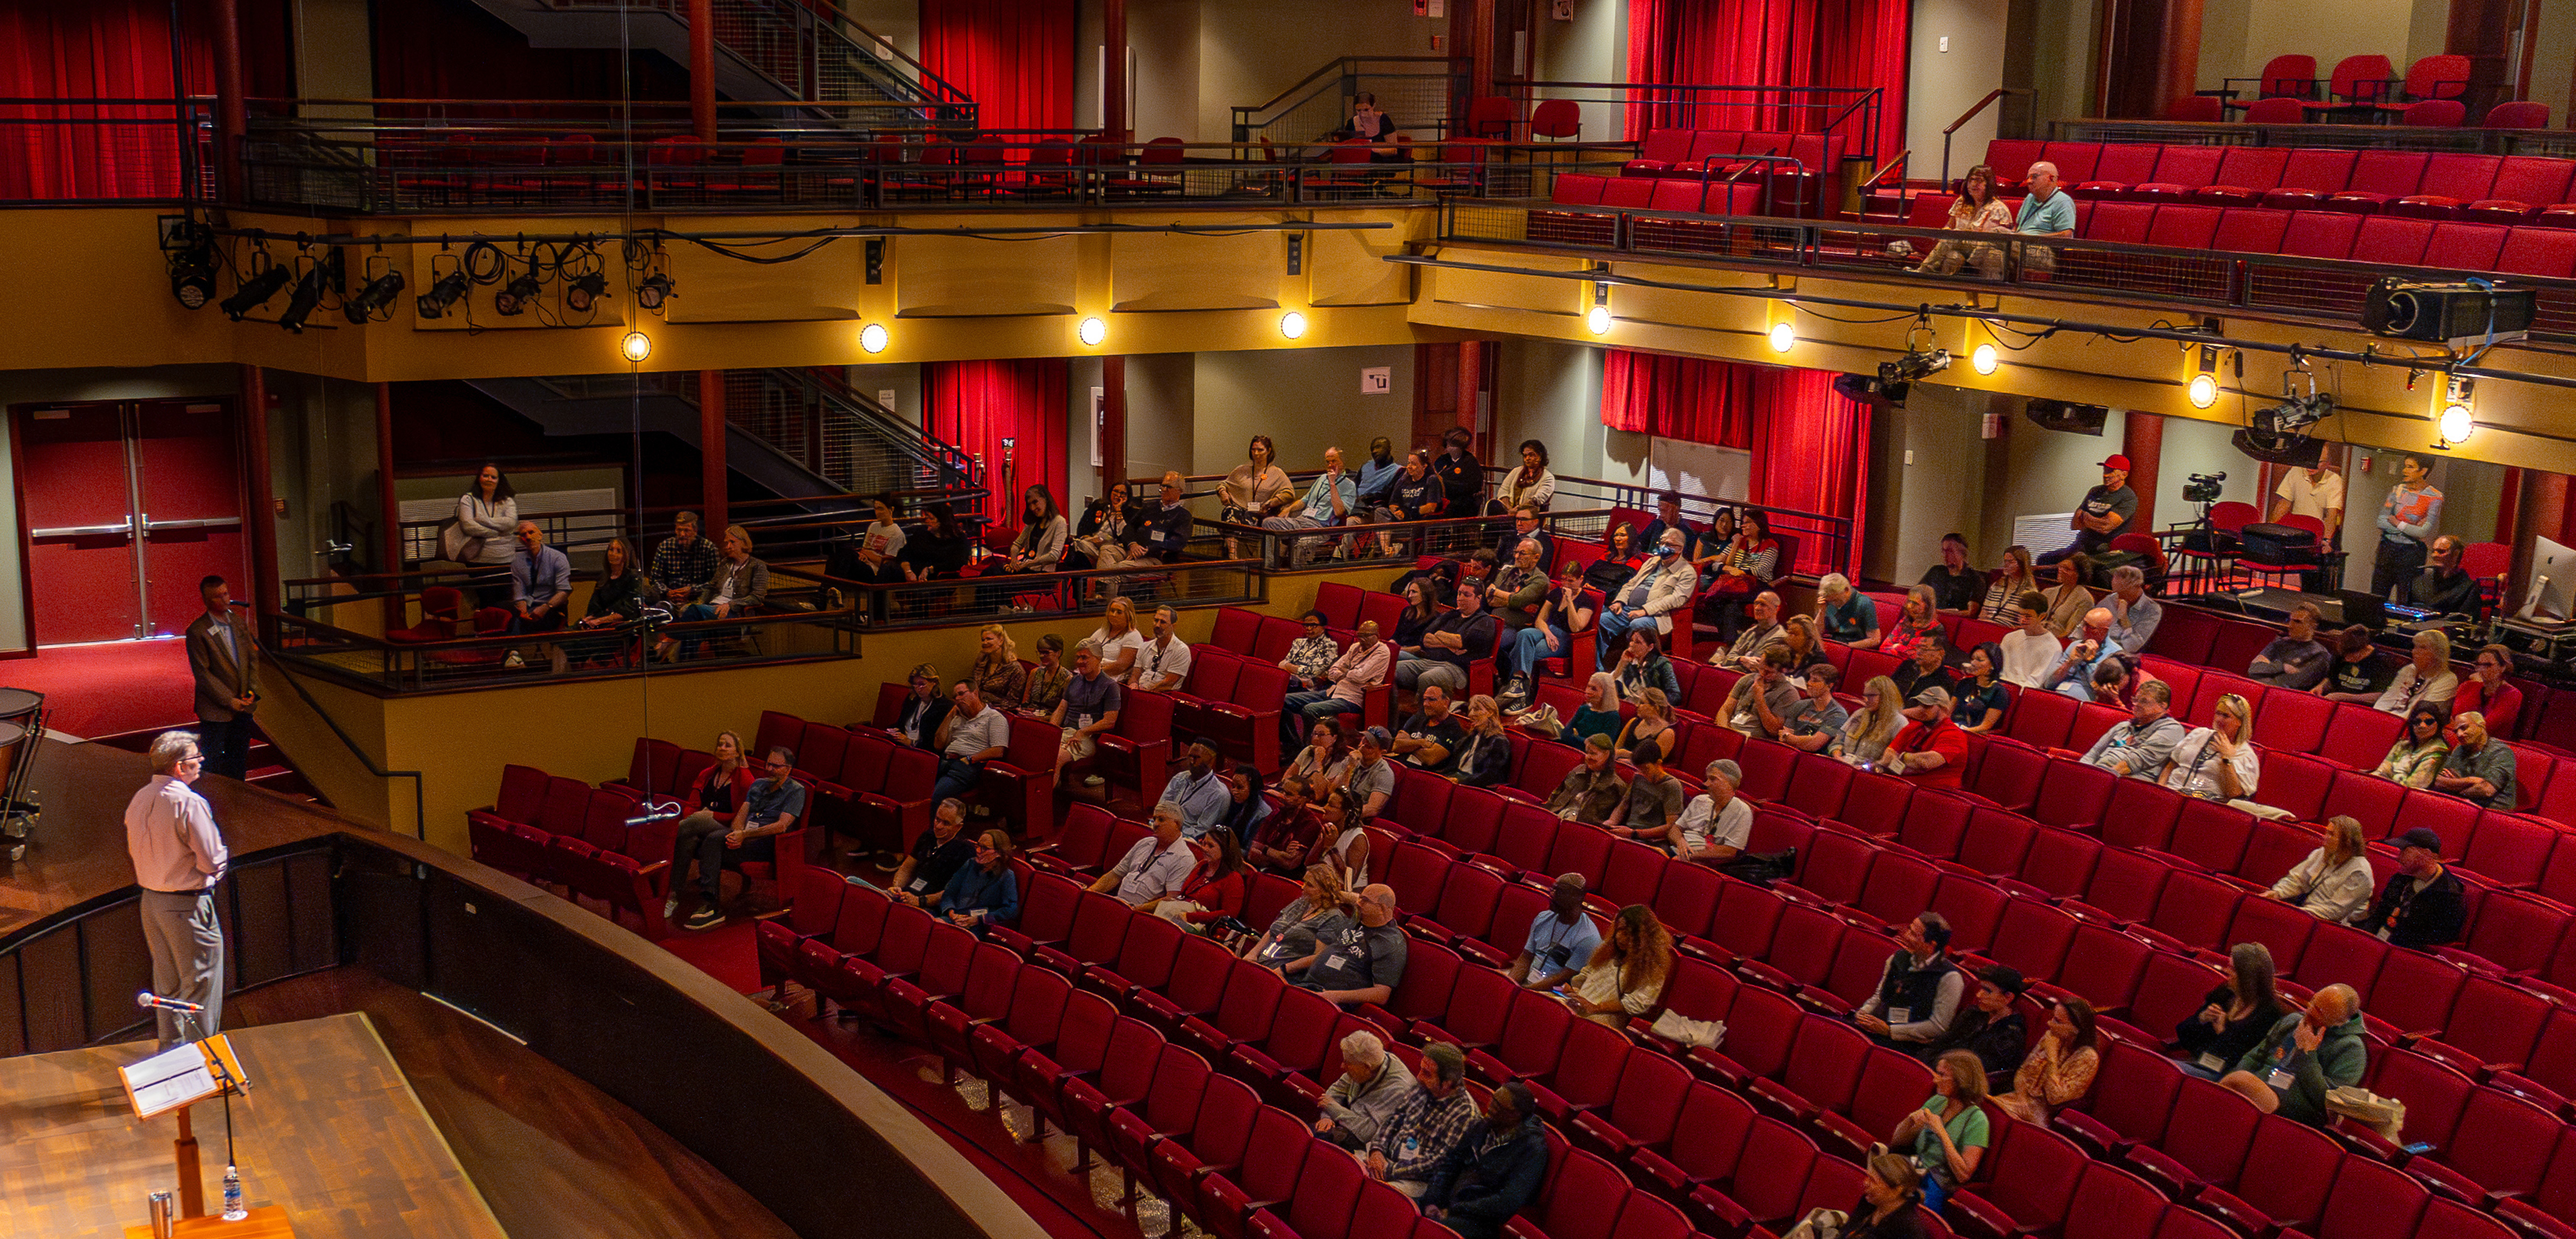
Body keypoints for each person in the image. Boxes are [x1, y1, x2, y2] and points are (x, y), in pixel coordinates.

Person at [126, 730, 228, 1046]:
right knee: (200, 985)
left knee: (167, 983)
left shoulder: (140, 797)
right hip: (187, 906)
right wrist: (221, 863)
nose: (201, 762)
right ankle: (203, 1059)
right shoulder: (189, 802)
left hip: (151, 902)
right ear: (180, 766)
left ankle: (171, 1053)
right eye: (196, 758)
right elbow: (212, 860)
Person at [670, 745, 805, 931]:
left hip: (768, 842)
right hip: (744, 836)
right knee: (710, 838)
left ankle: (711, 905)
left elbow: (782, 826)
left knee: (713, 840)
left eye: (776, 766)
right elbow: (742, 815)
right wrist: (736, 833)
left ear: (788, 769)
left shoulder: (796, 791)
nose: (769, 769)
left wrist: (745, 835)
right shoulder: (758, 785)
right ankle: (710, 903)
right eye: (768, 764)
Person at [2217, 985, 2366, 1125]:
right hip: (2256, 1082)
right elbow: (2255, 1056)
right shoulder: (2294, 1020)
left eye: (2319, 1011)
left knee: (2237, 1082)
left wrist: (2307, 1054)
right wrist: (2238, 1073)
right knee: (2233, 1084)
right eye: (2313, 1002)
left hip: (2296, 1105)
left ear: (2339, 1022)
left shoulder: (2352, 1049)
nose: (2309, 1011)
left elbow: (2327, 1100)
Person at [1424, 1082, 1547, 1239]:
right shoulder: (1483, 1126)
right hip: (1448, 1204)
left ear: (1515, 1115)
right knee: (1403, 1208)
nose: (1490, 1108)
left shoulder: (1532, 1150)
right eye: (1492, 1100)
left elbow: (1506, 1203)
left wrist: (1454, 1210)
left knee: (1432, 1233)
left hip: (1480, 1221)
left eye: (1498, 1106)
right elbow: (1450, 1164)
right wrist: (1432, 1200)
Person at [1368, 1041, 1480, 1200]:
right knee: (1348, 1169)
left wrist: (1389, 1170)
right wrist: (1377, 1150)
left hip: (1417, 1182)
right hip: (1385, 1160)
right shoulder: (1423, 1089)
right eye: (1421, 1069)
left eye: (1427, 1074)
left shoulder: (1466, 1114)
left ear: (1448, 1083)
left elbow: (1437, 1163)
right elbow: (1393, 1119)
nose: (1418, 1077)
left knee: (1376, 1195)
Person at [1889, 1050, 1990, 1211]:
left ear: (1961, 1080)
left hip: (1940, 1178)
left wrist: (1941, 1132)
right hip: (1919, 1164)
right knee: (1883, 1169)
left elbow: (1963, 1175)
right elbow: (1897, 1143)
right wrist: (1910, 1120)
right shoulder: (1938, 1101)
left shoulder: (1978, 1120)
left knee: (1906, 1193)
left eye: (1942, 1075)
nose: (1936, 1080)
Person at [2177, 942, 2288, 1080]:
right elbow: (2182, 1035)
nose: (2227, 972)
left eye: (2233, 969)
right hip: (2196, 1063)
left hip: (2225, 1077)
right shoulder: (2224, 994)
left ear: (2249, 977)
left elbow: (2242, 1062)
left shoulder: (2268, 1013)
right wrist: (2201, 1019)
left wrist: (2222, 1031)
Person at [185, 575, 258, 780]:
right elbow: (203, 674)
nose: (225, 600)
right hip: (215, 710)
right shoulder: (197, 631)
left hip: (243, 706)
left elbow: (252, 661)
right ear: (207, 601)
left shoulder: (238, 623)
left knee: (239, 760)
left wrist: (251, 693)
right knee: (213, 763)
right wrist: (229, 700)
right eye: (218, 597)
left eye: (226, 594)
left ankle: (239, 804)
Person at [661, 524, 767, 662]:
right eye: (726, 543)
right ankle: (686, 665)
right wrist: (701, 602)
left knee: (693, 611)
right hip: (712, 608)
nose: (728, 546)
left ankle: (668, 641)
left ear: (744, 542)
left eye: (732, 542)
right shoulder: (726, 563)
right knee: (695, 628)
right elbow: (711, 587)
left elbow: (757, 597)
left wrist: (731, 604)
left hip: (735, 614)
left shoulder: (757, 566)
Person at [1855, 913, 1961, 1048]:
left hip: (1905, 1041)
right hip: (1877, 1024)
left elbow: (1938, 1026)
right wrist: (1863, 1013)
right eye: (1909, 929)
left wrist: (1890, 1031)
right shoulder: (1897, 958)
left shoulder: (1950, 978)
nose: (1905, 936)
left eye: (1913, 934)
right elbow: (1879, 997)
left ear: (1931, 945)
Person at [1294, 883, 1407, 1007]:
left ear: (1381, 909)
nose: (1358, 903)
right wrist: (1285, 969)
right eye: (1360, 898)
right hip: (1306, 984)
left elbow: (1381, 994)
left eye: (1365, 900)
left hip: (1331, 1000)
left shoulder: (1390, 942)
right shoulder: (1358, 919)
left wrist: (1336, 996)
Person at [2353, 827, 2466, 947]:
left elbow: (2436, 942)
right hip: (2379, 943)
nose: (2399, 857)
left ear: (2426, 855)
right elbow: (2380, 914)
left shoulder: (2449, 895)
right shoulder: (2401, 878)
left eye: (2406, 851)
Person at [1596, 527, 1696, 661]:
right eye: (1662, 543)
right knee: (1602, 620)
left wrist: (1645, 611)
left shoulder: (1687, 572)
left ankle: (1631, 669)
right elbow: (1631, 584)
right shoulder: (1652, 562)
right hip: (1627, 609)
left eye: (1669, 545)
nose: (1664, 547)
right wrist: (1619, 601)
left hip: (1655, 616)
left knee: (1638, 625)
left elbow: (1675, 600)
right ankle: (1600, 666)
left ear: (1680, 548)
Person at [1993, 997, 2098, 1124]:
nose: (2049, 1023)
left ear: (2076, 1030)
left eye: (2058, 1021)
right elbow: (2023, 1072)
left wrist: (2052, 1056)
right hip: (2019, 1099)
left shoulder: (2088, 1057)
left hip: (2045, 1115)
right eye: (2053, 1017)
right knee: (1981, 1106)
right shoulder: (2051, 1037)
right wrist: (2022, 1099)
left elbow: (2055, 1098)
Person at [1564, 905, 1672, 1028]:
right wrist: (1573, 992)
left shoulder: (1651, 969)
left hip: (1604, 1020)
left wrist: (1596, 1008)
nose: (1620, 937)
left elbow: (1635, 1004)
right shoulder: (1608, 951)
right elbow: (1584, 976)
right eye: (1619, 930)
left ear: (1642, 938)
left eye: (1627, 933)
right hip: (1579, 1006)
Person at [1926, 966, 2030, 1093]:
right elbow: (1942, 1042)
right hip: (1941, 1071)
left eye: (1988, 991)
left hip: (1966, 1090)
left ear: (2008, 997)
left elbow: (1978, 1072)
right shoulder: (1972, 1014)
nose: (1979, 995)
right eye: (1981, 988)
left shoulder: (2012, 1034)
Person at [1316, 1029, 1420, 1151]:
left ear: (1366, 1067)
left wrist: (1333, 1108)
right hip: (1345, 1126)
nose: (1342, 1066)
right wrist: (1327, 1117)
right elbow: (1336, 1090)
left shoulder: (1399, 1090)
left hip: (1370, 1147)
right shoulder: (1366, 1062)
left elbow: (1366, 1134)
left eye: (1347, 1063)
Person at [2266, 816, 2376, 923]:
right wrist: (2277, 893)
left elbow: (2333, 912)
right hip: (2300, 912)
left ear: (2347, 842)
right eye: (2327, 832)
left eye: (2332, 834)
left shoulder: (2360, 873)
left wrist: (2291, 913)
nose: (2325, 837)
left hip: (2324, 924)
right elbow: (2297, 879)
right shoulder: (2322, 852)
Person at [1917, 163, 2015, 279]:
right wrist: (1946, 233)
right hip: (1960, 247)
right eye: (1971, 180)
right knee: (1954, 256)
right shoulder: (1961, 202)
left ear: (1989, 185)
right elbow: (1949, 226)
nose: (1973, 184)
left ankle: (1923, 270)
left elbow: (1994, 241)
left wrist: (1955, 235)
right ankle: (1944, 290)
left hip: (1983, 250)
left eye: (1979, 181)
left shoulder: (1998, 208)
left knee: (1953, 237)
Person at [1267, 447, 1358, 568]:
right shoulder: (1321, 479)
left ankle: (1296, 575)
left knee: (1301, 544)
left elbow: (1339, 512)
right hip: (1302, 520)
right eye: (1328, 462)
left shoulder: (1349, 485)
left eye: (1334, 461)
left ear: (1342, 462)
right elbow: (1305, 500)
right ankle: (1270, 566)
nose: (1330, 465)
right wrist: (1288, 510)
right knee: (1269, 523)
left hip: (1320, 527)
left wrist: (1332, 484)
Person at [2038, 454, 2136, 566]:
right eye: (2105, 470)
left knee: (2075, 566)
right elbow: (2075, 524)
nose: (2105, 475)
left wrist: (2086, 518)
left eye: (2111, 471)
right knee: (2044, 560)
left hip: (2103, 550)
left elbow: (2105, 527)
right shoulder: (2095, 491)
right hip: (2081, 544)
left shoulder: (2128, 496)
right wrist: (2095, 521)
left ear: (2124, 474)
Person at [1092, 802, 1196, 905]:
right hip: (1119, 902)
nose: (1155, 824)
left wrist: (1134, 912)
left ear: (1176, 824)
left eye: (1161, 820)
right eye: (1154, 819)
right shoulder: (1145, 843)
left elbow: (1171, 899)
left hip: (1141, 913)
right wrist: (1088, 892)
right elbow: (1115, 875)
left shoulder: (1184, 858)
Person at [1146, 828, 1251, 931]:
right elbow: (1183, 894)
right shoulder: (1202, 865)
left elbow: (1229, 915)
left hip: (1201, 924)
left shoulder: (1234, 878)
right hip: (1180, 912)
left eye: (1211, 846)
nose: (1204, 849)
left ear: (1225, 851)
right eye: (1203, 843)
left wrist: (1191, 917)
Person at [1509, 874, 1602, 990]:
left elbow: (1562, 978)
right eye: (1553, 889)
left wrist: (1525, 991)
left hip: (1554, 991)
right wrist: (1511, 984)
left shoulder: (1589, 938)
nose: (1552, 894)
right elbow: (1526, 957)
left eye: (1559, 891)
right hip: (1527, 982)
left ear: (1576, 898)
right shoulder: (1543, 918)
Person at [2161, 692, 2258, 801]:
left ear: (2239, 722)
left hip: (2204, 803)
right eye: (2218, 713)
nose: (2219, 719)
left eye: (2226, 716)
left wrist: (2226, 759)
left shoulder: (2245, 754)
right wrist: (2160, 790)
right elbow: (2171, 765)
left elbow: (2235, 795)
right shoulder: (2198, 734)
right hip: (2170, 793)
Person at [1701, 509, 1781, 641]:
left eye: (1748, 523)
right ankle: (1733, 642)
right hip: (1735, 584)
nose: (1743, 526)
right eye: (1742, 523)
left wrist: (1740, 571)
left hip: (1758, 585)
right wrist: (1730, 567)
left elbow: (1761, 570)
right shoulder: (1739, 542)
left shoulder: (1770, 545)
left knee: (1731, 605)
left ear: (1759, 524)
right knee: (1712, 602)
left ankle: (1731, 645)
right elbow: (1716, 563)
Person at [571, 536, 652, 665]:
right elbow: (595, 607)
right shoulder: (604, 577)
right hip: (599, 622)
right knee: (567, 637)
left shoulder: (633, 578)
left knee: (586, 643)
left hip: (620, 627)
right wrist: (589, 619)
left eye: (618, 551)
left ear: (625, 556)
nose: (613, 554)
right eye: (611, 550)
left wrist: (599, 621)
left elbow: (627, 610)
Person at [2373, 454, 2444, 602]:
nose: (2405, 471)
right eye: (2405, 466)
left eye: (2410, 467)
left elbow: (2423, 531)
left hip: (2411, 552)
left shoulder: (2434, 497)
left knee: (2406, 599)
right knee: (2377, 597)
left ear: (2423, 471)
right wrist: (2409, 529)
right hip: (2387, 549)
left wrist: (2397, 523)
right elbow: (2381, 521)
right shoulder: (2397, 490)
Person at [1511, 559, 1595, 681]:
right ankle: (1519, 681)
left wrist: (1570, 601)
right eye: (1563, 580)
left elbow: (1575, 628)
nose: (1565, 584)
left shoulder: (1586, 601)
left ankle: (1519, 682)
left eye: (1571, 581)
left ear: (1581, 580)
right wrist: (1548, 634)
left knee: (1531, 650)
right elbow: (1540, 620)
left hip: (1567, 638)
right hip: (1549, 631)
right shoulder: (1556, 593)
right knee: (1524, 634)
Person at [2082, 681, 2185, 780]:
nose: (2136, 704)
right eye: (2135, 699)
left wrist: (2099, 778)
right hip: (2099, 773)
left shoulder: (2172, 729)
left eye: (2144, 701)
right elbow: (2093, 754)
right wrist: (2081, 772)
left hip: (2127, 782)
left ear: (2163, 706)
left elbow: (2135, 762)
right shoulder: (2123, 726)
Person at [1247, 865, 1346, 967]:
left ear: (1325, 890)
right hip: (1263, 961)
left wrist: (1283, 970)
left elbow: (1318, 957)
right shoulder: (1302, 902)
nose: (1303, 887)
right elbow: (1274, 930)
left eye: (1310, 885)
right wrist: (1253, 954)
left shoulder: (1333, 918)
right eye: (1305, 882)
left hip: (1288, 973)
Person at [505, 521, 572, 672]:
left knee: (515, 620)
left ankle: (512, 656)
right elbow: (519, 591)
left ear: (540, 535)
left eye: (531, 532)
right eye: (523, 535)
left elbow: (564, 591)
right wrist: (522, 608)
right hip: (528, 609)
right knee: (502, 609)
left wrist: (545, 607)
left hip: (551, 609)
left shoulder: (557, 558)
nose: (527, 537)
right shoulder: (517, 561)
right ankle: (511, 656)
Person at [930, 681, 1011, 805]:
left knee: (937, 796)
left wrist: (969, 759)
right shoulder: (957, 717)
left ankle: (933, 825)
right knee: (918, 789)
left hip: (967, 766)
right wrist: (950, 715)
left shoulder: (994, 718)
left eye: (961, 694)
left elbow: (998, 750)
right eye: (955, 697)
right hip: (944, 762)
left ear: (975, 693)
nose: (957, 699)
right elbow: (938, 745)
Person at [453, 461, 519, 605]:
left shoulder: (507, 501)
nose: (489, 479)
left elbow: (511, 523)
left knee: (506, 603)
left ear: (499, 481)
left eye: (493, 477)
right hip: (478, 560)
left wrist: (483, 520)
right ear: (479, 478)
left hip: (505, 560)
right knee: (486, 603)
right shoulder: (468, 499)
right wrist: (495, 532)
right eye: (486, 476)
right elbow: (468, 526)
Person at [1052, 644, 1123, 775]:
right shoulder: (1074, 681)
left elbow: (1109, 721)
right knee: (1039, 752)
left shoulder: (1111, 687)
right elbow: (1061, 710)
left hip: (1089, 737)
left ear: (1099, 659)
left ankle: (1045, 795)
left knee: (1055, 759)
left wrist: (1082, 732)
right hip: (1066, 732)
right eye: (1077, 657)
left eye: (1084, 657)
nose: (1079, 662)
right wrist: (1051, 730)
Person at [1219, 435, 1294, 559]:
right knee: (1229, 512)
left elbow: (1289, 493)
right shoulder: (1242, 470)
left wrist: (1272, 502)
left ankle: (1251, 553)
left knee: (1250, 516)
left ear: (1269, 451)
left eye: (1260, 450)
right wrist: (1223, 493)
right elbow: (1223, 484)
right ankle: (1232, 554)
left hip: (1262, 512)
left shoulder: (1277, 473)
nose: (1256, 453)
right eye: (1253, 450)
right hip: (1243, 509)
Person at [891, 797, 975, 907]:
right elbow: (907, 868)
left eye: (946, 823)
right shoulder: (927, 836)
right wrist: (897, 888)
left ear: (958, 827)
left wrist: (920, 901)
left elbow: (954, 892)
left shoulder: (966, 852)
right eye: (937, 820)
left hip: (931, 907)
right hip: (907, 895)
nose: (939, 826)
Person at [1673, 759, 1756, 867]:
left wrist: (1689, 855)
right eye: (1707, 779)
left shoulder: (1742, 811)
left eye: (1713, 779)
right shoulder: (1700, 800)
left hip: (1703, 861)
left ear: (1730, 784)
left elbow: (1729, 852)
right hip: (1676, 850)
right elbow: (1675, 829)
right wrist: (1679, 841)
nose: (1706, 784)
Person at [1606, 740, 1687, 847]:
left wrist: (1634, 833)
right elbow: (1623, 805)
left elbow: (1670, 826)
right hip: (1629, 833)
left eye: (1646, 769)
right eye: (1640, 769)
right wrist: (1611, 823)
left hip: (1652, 841)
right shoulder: (1639, 777)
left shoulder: (1672, 785)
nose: (1643, 773)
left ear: (1658, 763)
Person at [939, 831, 1020, 934]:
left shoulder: (1007, 876)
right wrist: (951, 913)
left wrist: (979, 920)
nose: (978, 851)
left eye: (985, 848)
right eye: (978, 845)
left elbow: (1011, 910)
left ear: (999, 852)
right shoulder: (969, 864)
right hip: (954, 918)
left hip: (979, 926)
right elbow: (949, 893)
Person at [2433, 710, 2517, 810]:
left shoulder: (2502, 752)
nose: (2459, 734)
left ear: (2481, 726)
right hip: (2462, 806)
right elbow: (2437, 781)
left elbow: (2486, 790)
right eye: (2456, 731)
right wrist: (2471, 781)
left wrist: (2454, 786)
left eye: (2464, 728)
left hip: (2493, 812)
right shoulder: (2460, 748)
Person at [2007, 160, 2078, 276]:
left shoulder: (2063, 201)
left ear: (2051, 178)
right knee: (1992, 254)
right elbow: (2018, 227)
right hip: (2020, 246)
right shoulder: (2029, 199)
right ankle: (1986, 291)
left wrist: (2031, 239)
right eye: (2028, 177)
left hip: (2043, 251)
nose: (2029, 181)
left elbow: (2067, 235)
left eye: (2034, 177)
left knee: (1999, 237)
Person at [1374, 450, 1447, 558]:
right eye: (1409, 463)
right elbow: (1393, 503)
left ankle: (1389, 553)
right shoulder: (1403, 480)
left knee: (1385, 531)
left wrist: (1410, 513)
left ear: (1424, 466)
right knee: (1380, 512)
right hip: (1400, 521)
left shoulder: (1431, 480)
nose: (1409, 467)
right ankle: (1387, 551)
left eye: (1414, 464)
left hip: (1418, 522)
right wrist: (1397, 512)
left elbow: (1432, 507)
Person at [1544, 735, 1629, 825]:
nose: (1588, 757)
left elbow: (1598, 822)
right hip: (1554, 817)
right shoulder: (1579, 770)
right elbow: (1554, 797)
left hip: (1577, 827)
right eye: (1587, 753)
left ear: (1607, 755)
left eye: (1593, 754)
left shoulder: (1615, 786)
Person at [2247, 602, 2333, 690]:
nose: (2291, 626)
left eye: (2298, 622)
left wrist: (2267, 670)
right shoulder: (2279, 643)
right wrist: (2283, 667)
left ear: (2313, 625)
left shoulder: (2320, 654)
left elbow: (2289, 685)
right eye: (2290, 620)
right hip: (2258, 689)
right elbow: (2254, 670)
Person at [1726, 647, 1806, 739]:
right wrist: (1724, 731)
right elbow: (1725, 711)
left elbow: (1774, 731)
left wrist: (1759, 697)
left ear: (1783, 671)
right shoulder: (1747, 679)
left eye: (1768, 671)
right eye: (1761, 668)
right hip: (1731, 733)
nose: (1762, 674)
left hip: (1753, 740)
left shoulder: (1789, 693)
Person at [2375, 629, 2459, 716]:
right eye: (2415, 647)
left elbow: (2418, 715)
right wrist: (2377, 717)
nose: (2415, 652)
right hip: (2389, 720)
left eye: (2423, 648)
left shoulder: (2448, 680)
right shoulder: (2409, 670)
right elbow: (2387, 699)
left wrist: (2388, 721)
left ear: (2439, 653)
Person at [651, 510, 720, 615]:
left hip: (697, 599)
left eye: (686, 531)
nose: (682, 534)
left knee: (692, 610)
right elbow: (655, 579)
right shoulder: (665, 547)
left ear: (695, 531)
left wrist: (692, 590)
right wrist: (668, 592)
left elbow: (715, 582)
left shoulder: (708, 548)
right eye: (679, 530)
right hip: (670, 598)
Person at [1161, 739, 1233, 838]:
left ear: (1211, 761)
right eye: (1190, 756)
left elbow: (1201, 832)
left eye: (1196, 758)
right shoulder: (1179, 778)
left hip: (1186, 840)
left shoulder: (1219, 794)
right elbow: (1162, 807)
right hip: (1164, 829)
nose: (1192, 762)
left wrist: (1172, 830)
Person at [2046, 607, 2120, 701]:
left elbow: (2104, 694)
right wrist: (2070, 662)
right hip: (2056, 695)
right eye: (2084, 623)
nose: (2084, 628)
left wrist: (2088, 663)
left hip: (2083, 704)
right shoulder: (2075, 645)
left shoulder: (2114, 654)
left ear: (2104, 631)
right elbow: (2049, 683)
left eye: (2089, 626)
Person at [2372, 703, 2451, 789]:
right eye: (2417, 722)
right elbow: (2382, 771)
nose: (2422, 726)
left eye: (2429, 722)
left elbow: (2415, 786)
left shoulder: (2438, 752)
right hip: (2383, 787)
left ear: (2438, 724)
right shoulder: (2403, 744)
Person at [1393, 684, 1467, 775]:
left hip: (1421, 775)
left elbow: (1430, 758)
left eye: (1432, 700)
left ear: (1446, 703)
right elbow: (1396, 746)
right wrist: (1421, 743)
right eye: (1425, 699)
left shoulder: (1453, 728)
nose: (1426, 704)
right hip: (1399, 766)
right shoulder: (1419, 717)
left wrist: (1407, 745)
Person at [1777, 665, 1849, 754]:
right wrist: (1789, 737)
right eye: (1810, 679)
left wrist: (1789, 738)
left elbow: (1814, 745)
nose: (1809, 683)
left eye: (1815, 681)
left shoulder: (1838, 714)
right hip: (1788, 753)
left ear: (1829, 686)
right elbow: (1783, 737)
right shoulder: (1799, 705)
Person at [1714, 590, 1789, 674]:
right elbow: (1729, 658)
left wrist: (1720, 671)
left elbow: (1755, 667)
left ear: (1777, 608)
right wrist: (1742, 659)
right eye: (1756, 604)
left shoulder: (1780, 637)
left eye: (1763, 604)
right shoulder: (1751, 631)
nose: (1757, 608)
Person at [1838, 676, 1907, 767]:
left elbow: (1893, 761)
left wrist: (1869, 767)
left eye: (1871, 696)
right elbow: (1837, 741)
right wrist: (1838, 758)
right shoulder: (1859, 714)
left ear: (1885, 696)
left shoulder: (1900, 723)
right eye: (1865, 695)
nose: (1866, 700)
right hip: (1842, 765)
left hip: (1869, 774)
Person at [2455, 643, 2522, 736]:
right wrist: (2478, 687)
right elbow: (2455, 715)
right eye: (2479, 665)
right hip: (2459, 737)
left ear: (2503, 667)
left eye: (2488, 665)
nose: (2481, 670)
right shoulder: (2468, 686)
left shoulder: (2512, 695)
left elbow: (2485, 727)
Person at [2321, 625, 2398, 705]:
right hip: (2333, 703)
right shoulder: (2340, 656)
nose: (2347, 659)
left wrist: (2342, 697)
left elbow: (2379, 696)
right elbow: (2332, 681)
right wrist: (2321, 687)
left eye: (2352, 655)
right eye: (2345, 656)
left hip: (2360, 708)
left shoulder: (2382, 662)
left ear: (2365, 648)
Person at [1003, 485, 1069, 576]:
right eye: (1030, 504)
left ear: (1045, 499)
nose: (1032, 508)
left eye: (1035, 502)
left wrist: (1030, 563)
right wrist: (1014, 560)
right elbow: (1017, 545)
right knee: (990, 573)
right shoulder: (1032, 523)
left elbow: (1054, 555)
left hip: (1042, 574)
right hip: (1026, 568)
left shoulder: (1059, 522)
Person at [1068, 481, 1135, 571]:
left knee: (1085, 555)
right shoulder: (1099, 507)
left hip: (1114, 548)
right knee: (1077, 546)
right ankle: (1082, 582)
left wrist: (1118, 510)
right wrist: (1091, 539)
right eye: (1116, 492)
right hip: (1092, 544)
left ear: (1128, 497)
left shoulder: (1131, 514)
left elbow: (1126, 535)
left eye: (1123, 493)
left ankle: (1092, 582)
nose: (1118, 495)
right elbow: (1082, 529)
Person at [2269, 461, 2346, 540]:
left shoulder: (2334, 479)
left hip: (2315, 534)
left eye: (2320, 462)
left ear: (2326, 464)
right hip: (2293, 531)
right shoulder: (2295, 471)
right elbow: (2283, 504)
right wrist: (2269, 532)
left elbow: (2331, 515)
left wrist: (2326, 540)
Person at [1998, 594, 2060, 689]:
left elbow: (2035, 683)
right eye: (2020, 615)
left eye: (2028, 617)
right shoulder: (2009, 638)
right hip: (2000, 685)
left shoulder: (2053, 647)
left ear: (2042, 617)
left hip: (2024, 691)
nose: (2022, 620)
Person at [899, 502, 971, 583]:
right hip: (913, 578)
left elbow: (958, 562)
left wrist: (930, 569)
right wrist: (908, 571)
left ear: (942, 521)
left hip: (940, 580)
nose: (927, 521)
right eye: (926, 518)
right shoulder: (921, 533)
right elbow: (904, 553)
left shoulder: (958, 538)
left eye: (931, 519)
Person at [1449, 695, 1513, 788]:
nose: (1471, 714)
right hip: (1456, 779)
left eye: (1477, 709)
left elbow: (1490, 776)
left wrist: (1460, 781)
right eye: (1470, 710)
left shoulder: (1499, 742)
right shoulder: (1471, 737)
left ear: (1490, 712)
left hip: (1471, 786)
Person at [1431, 428, 1484, 539]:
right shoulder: (1442, 460)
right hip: (1442, 498)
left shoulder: (1470, 461)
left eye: (1452, 445)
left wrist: (1446, 482)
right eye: (1448, 445)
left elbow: (1472, 486)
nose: (1448, 448)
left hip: (1463, 501)